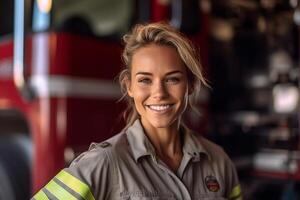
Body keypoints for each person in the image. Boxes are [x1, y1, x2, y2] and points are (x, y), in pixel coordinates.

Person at [32, 22, 242, 200]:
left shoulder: (219, 161)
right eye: (145, 80)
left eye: (172, 79)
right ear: (129, 86)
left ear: (191, 86)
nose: (159, 93)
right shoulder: (104, 162)